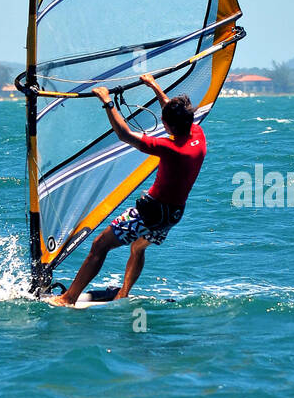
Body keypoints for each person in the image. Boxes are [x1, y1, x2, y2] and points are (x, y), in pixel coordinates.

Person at [47, 73, 206, 306]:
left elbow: (125, 135)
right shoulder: (197, 136)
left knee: (99, 245)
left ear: (168, 125)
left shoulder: (170, 148)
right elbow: (173, 116)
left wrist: (107, 101)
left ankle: (68, 298)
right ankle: (123, 293)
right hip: (171, 216)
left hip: (150, 215)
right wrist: (154, 86)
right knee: (138, 247)